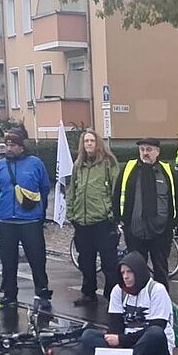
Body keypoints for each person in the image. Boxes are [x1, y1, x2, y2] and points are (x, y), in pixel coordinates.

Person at [81, 252, 176, 355]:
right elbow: (115, 325)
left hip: (152, 347)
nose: (125, 277)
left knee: (155, 333)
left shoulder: (157, 290)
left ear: (139, 272)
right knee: (88, 335)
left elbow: (158, 325)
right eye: (122, 273)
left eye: (129, 272)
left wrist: (121, 339)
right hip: (126, 345)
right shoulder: (118, 291)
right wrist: (115, 338)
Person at [0, 128, 53, 309]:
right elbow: (1, 187)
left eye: (12, 145)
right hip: (6, 219)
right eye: (7, 145)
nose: (9, 148)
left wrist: (39, 210)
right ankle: (9, 293)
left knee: (37, 257)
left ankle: (42, 290)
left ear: (21, 147)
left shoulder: (35, 163)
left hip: (30, 219)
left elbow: (44, 187)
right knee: (8, 259)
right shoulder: (0, 165)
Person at [113, 137, 178, 288]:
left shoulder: (166, 171)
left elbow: (177, 197)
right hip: (135, 229)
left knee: (161, 269)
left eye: (149, 150)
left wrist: (173, 223)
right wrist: (121, 220)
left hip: (160, 231)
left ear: (157, 152)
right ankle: (138, 301)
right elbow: (117, 193)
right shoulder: (130, 169)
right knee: (136, 269)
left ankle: (162, 302)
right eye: (142, 150)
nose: (145, 153)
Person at [66, 129, 120, 306]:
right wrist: (71, 213)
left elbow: (115, 190)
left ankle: (112, 295)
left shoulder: (108, 163)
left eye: (92, 141)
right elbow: (72, 190)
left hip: (103, 221)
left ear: (97, 143)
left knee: (109, 262)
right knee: (86, 261)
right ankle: (88, 293)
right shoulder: (78, 165)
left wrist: (112, 214)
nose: (89, 144)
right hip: (82, 221)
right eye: (86, 141)